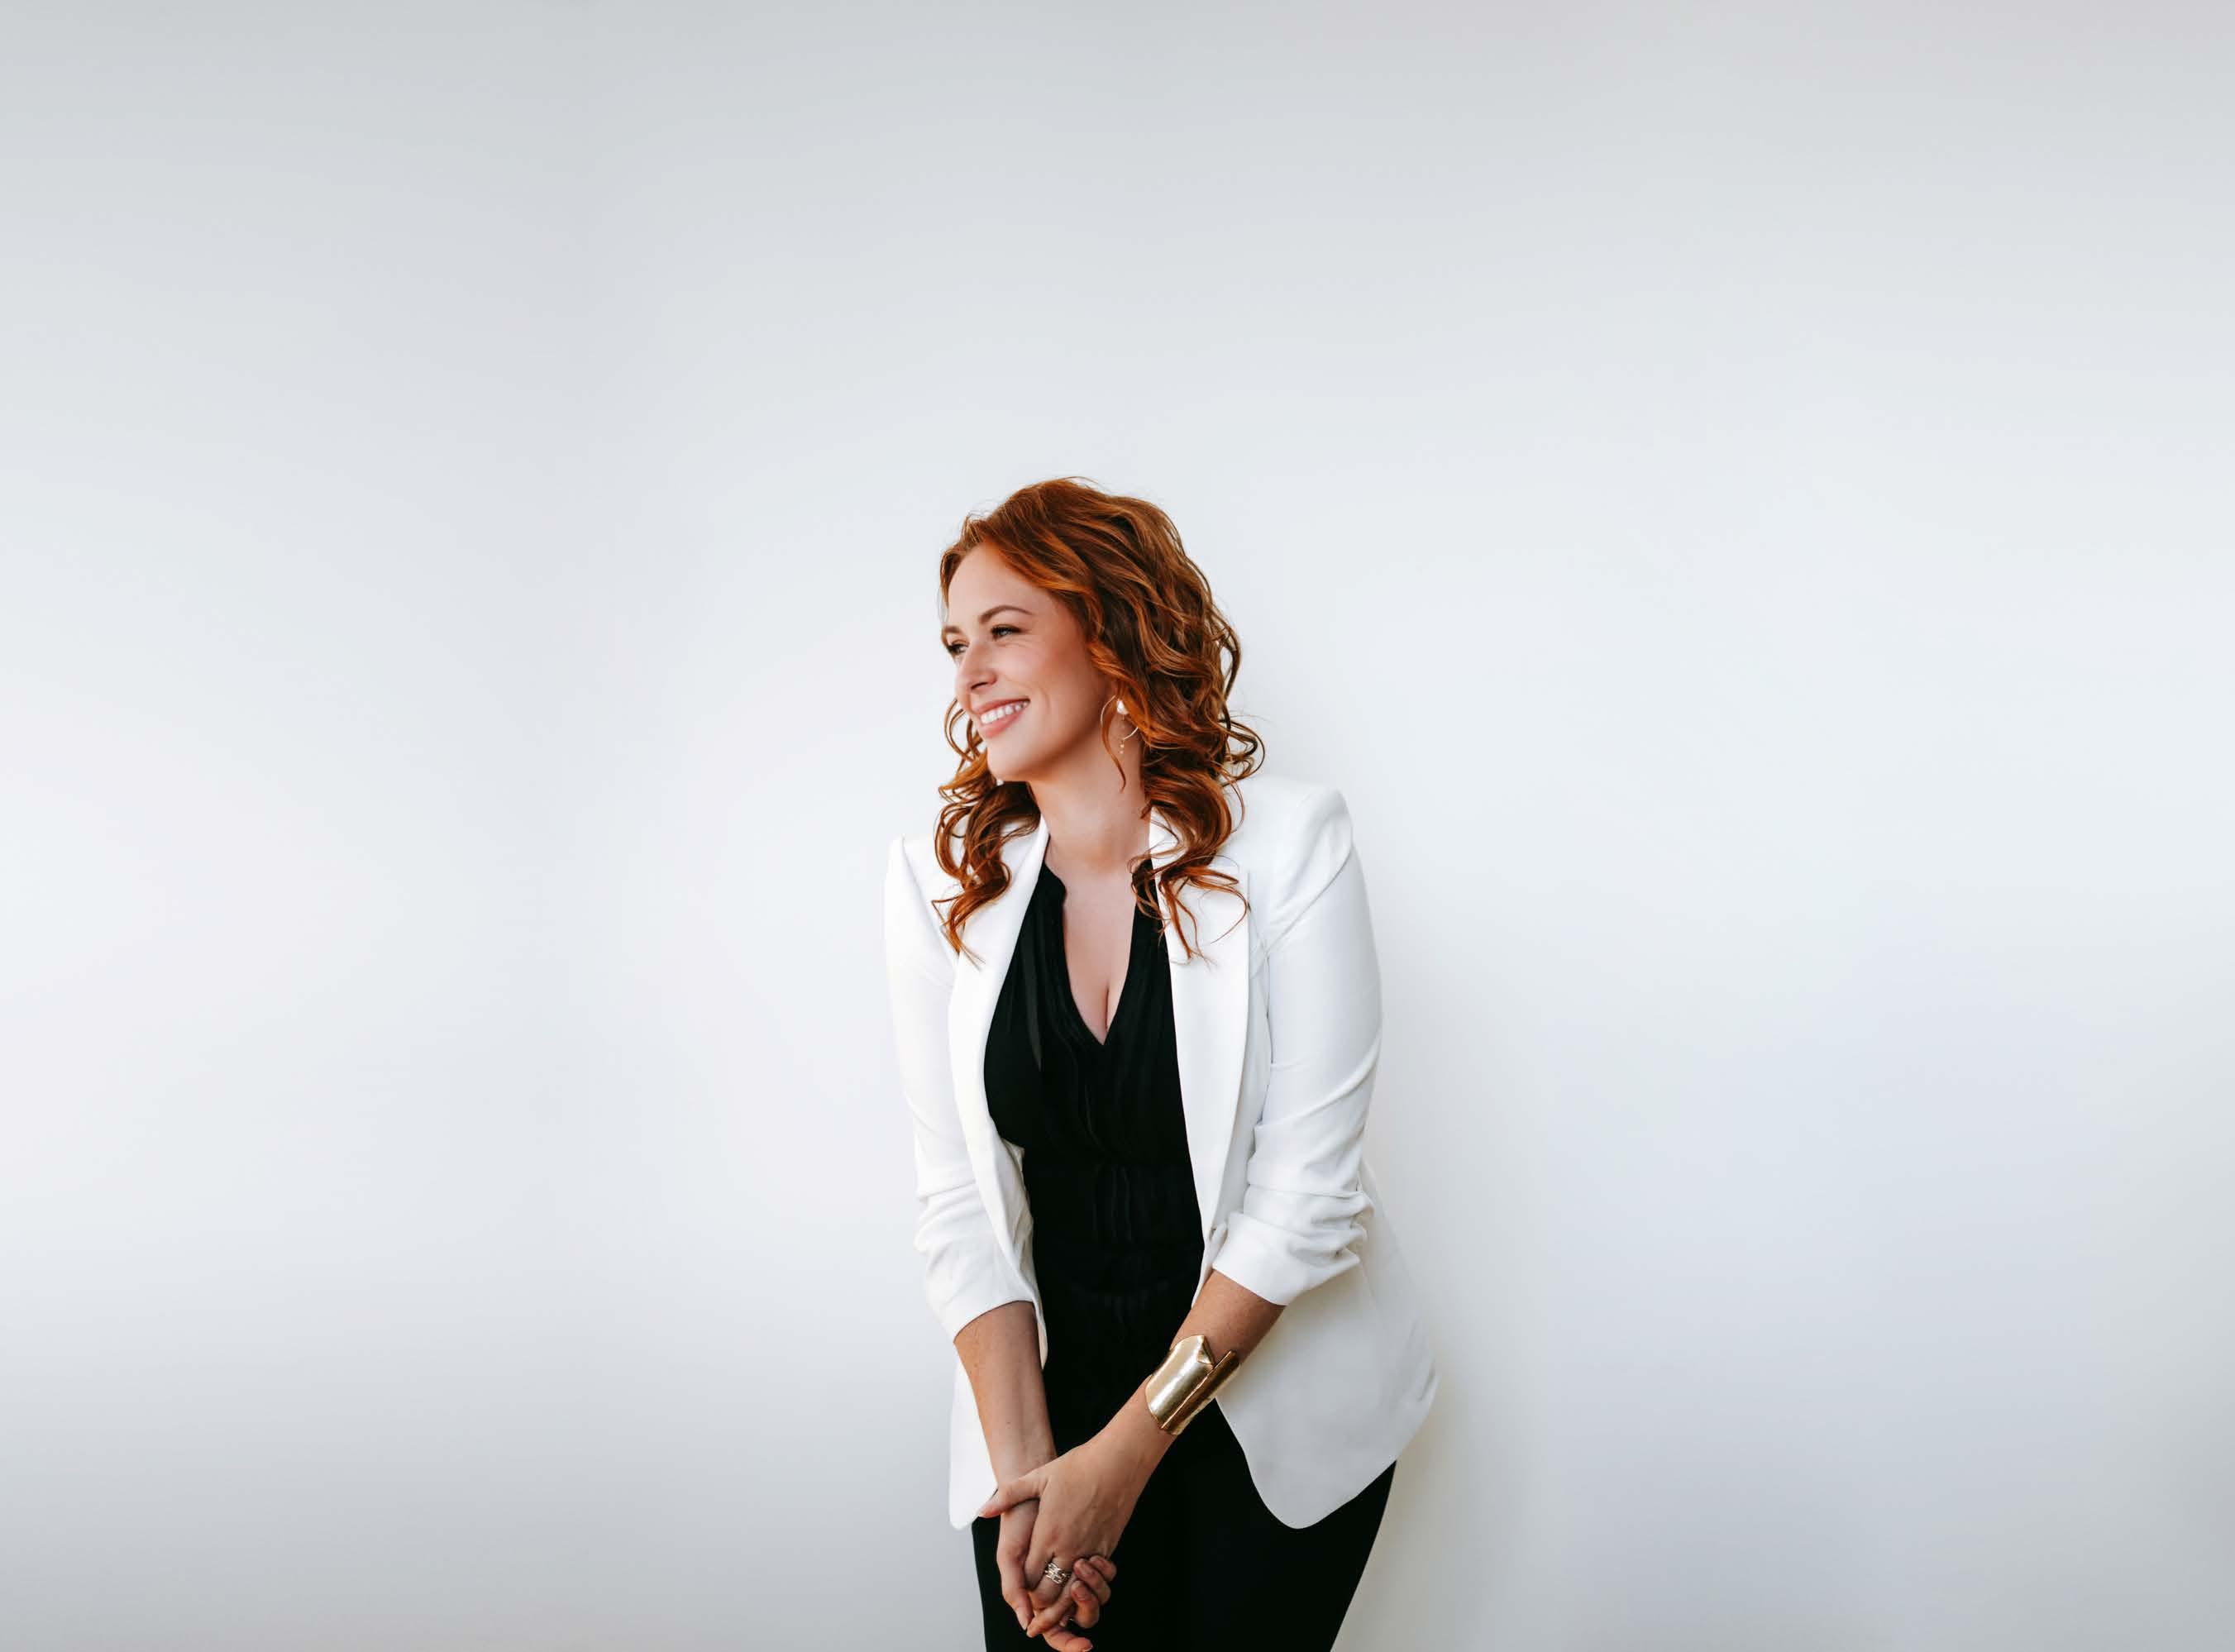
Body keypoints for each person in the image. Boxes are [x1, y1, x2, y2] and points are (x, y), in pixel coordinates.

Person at [883, 477, 1438, 1650]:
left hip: (1265, 1412)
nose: (968, 673)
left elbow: (1308, 1201)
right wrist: (1033, 1483)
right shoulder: (940, 884)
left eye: (1004, 630)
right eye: (955, 644)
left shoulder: (1291, 845)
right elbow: (958, 1206)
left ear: (1113, 631)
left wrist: (1125, 1457)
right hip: (1042, 1404)